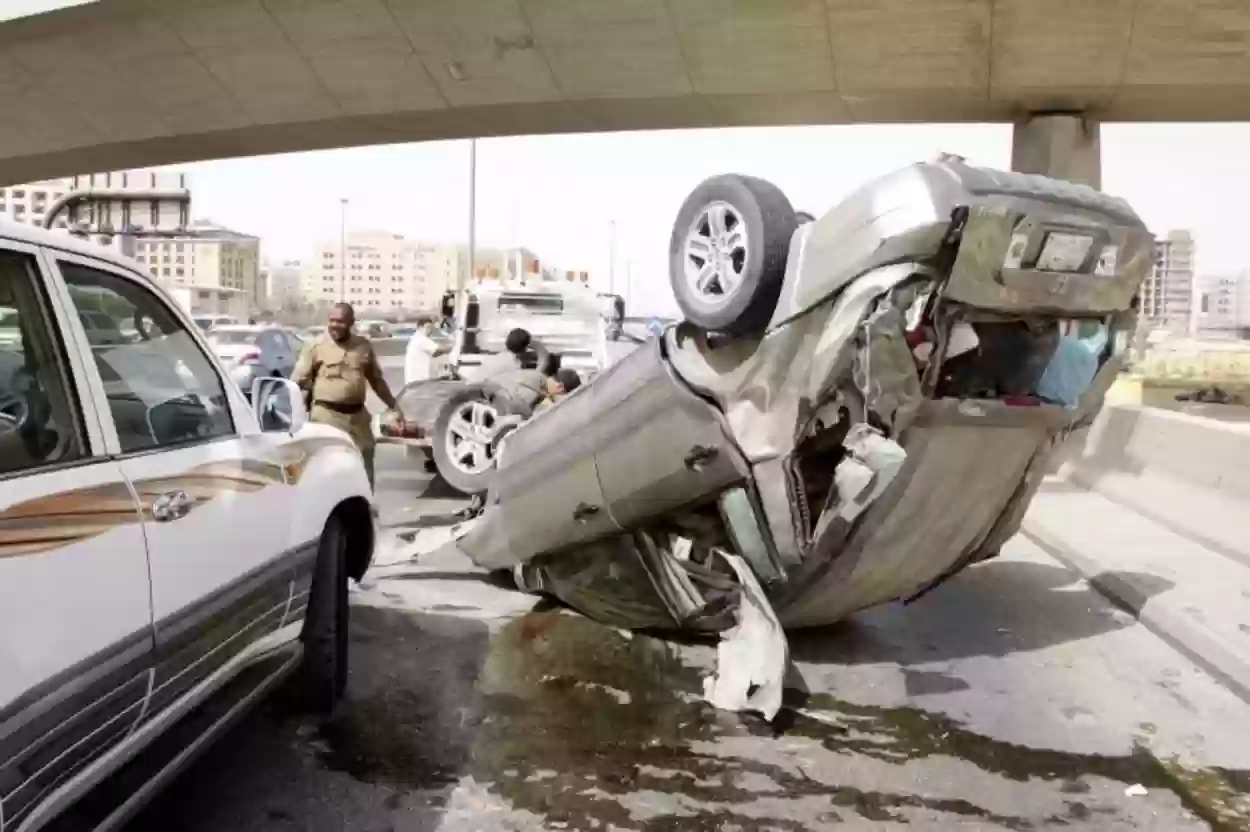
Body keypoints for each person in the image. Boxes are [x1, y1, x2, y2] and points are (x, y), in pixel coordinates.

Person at [291, 302, 404, 491]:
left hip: (357, 416)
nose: (335, 325)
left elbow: (377, 381)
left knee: (365, 454)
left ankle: (365, 505)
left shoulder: (363, 347)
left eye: (341, 322)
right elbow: (298, 380)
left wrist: (394, 405)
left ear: (351, 322)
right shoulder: (316, 346)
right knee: (327, 462)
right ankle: (328, 506)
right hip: (326, 415)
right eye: (332, 320)